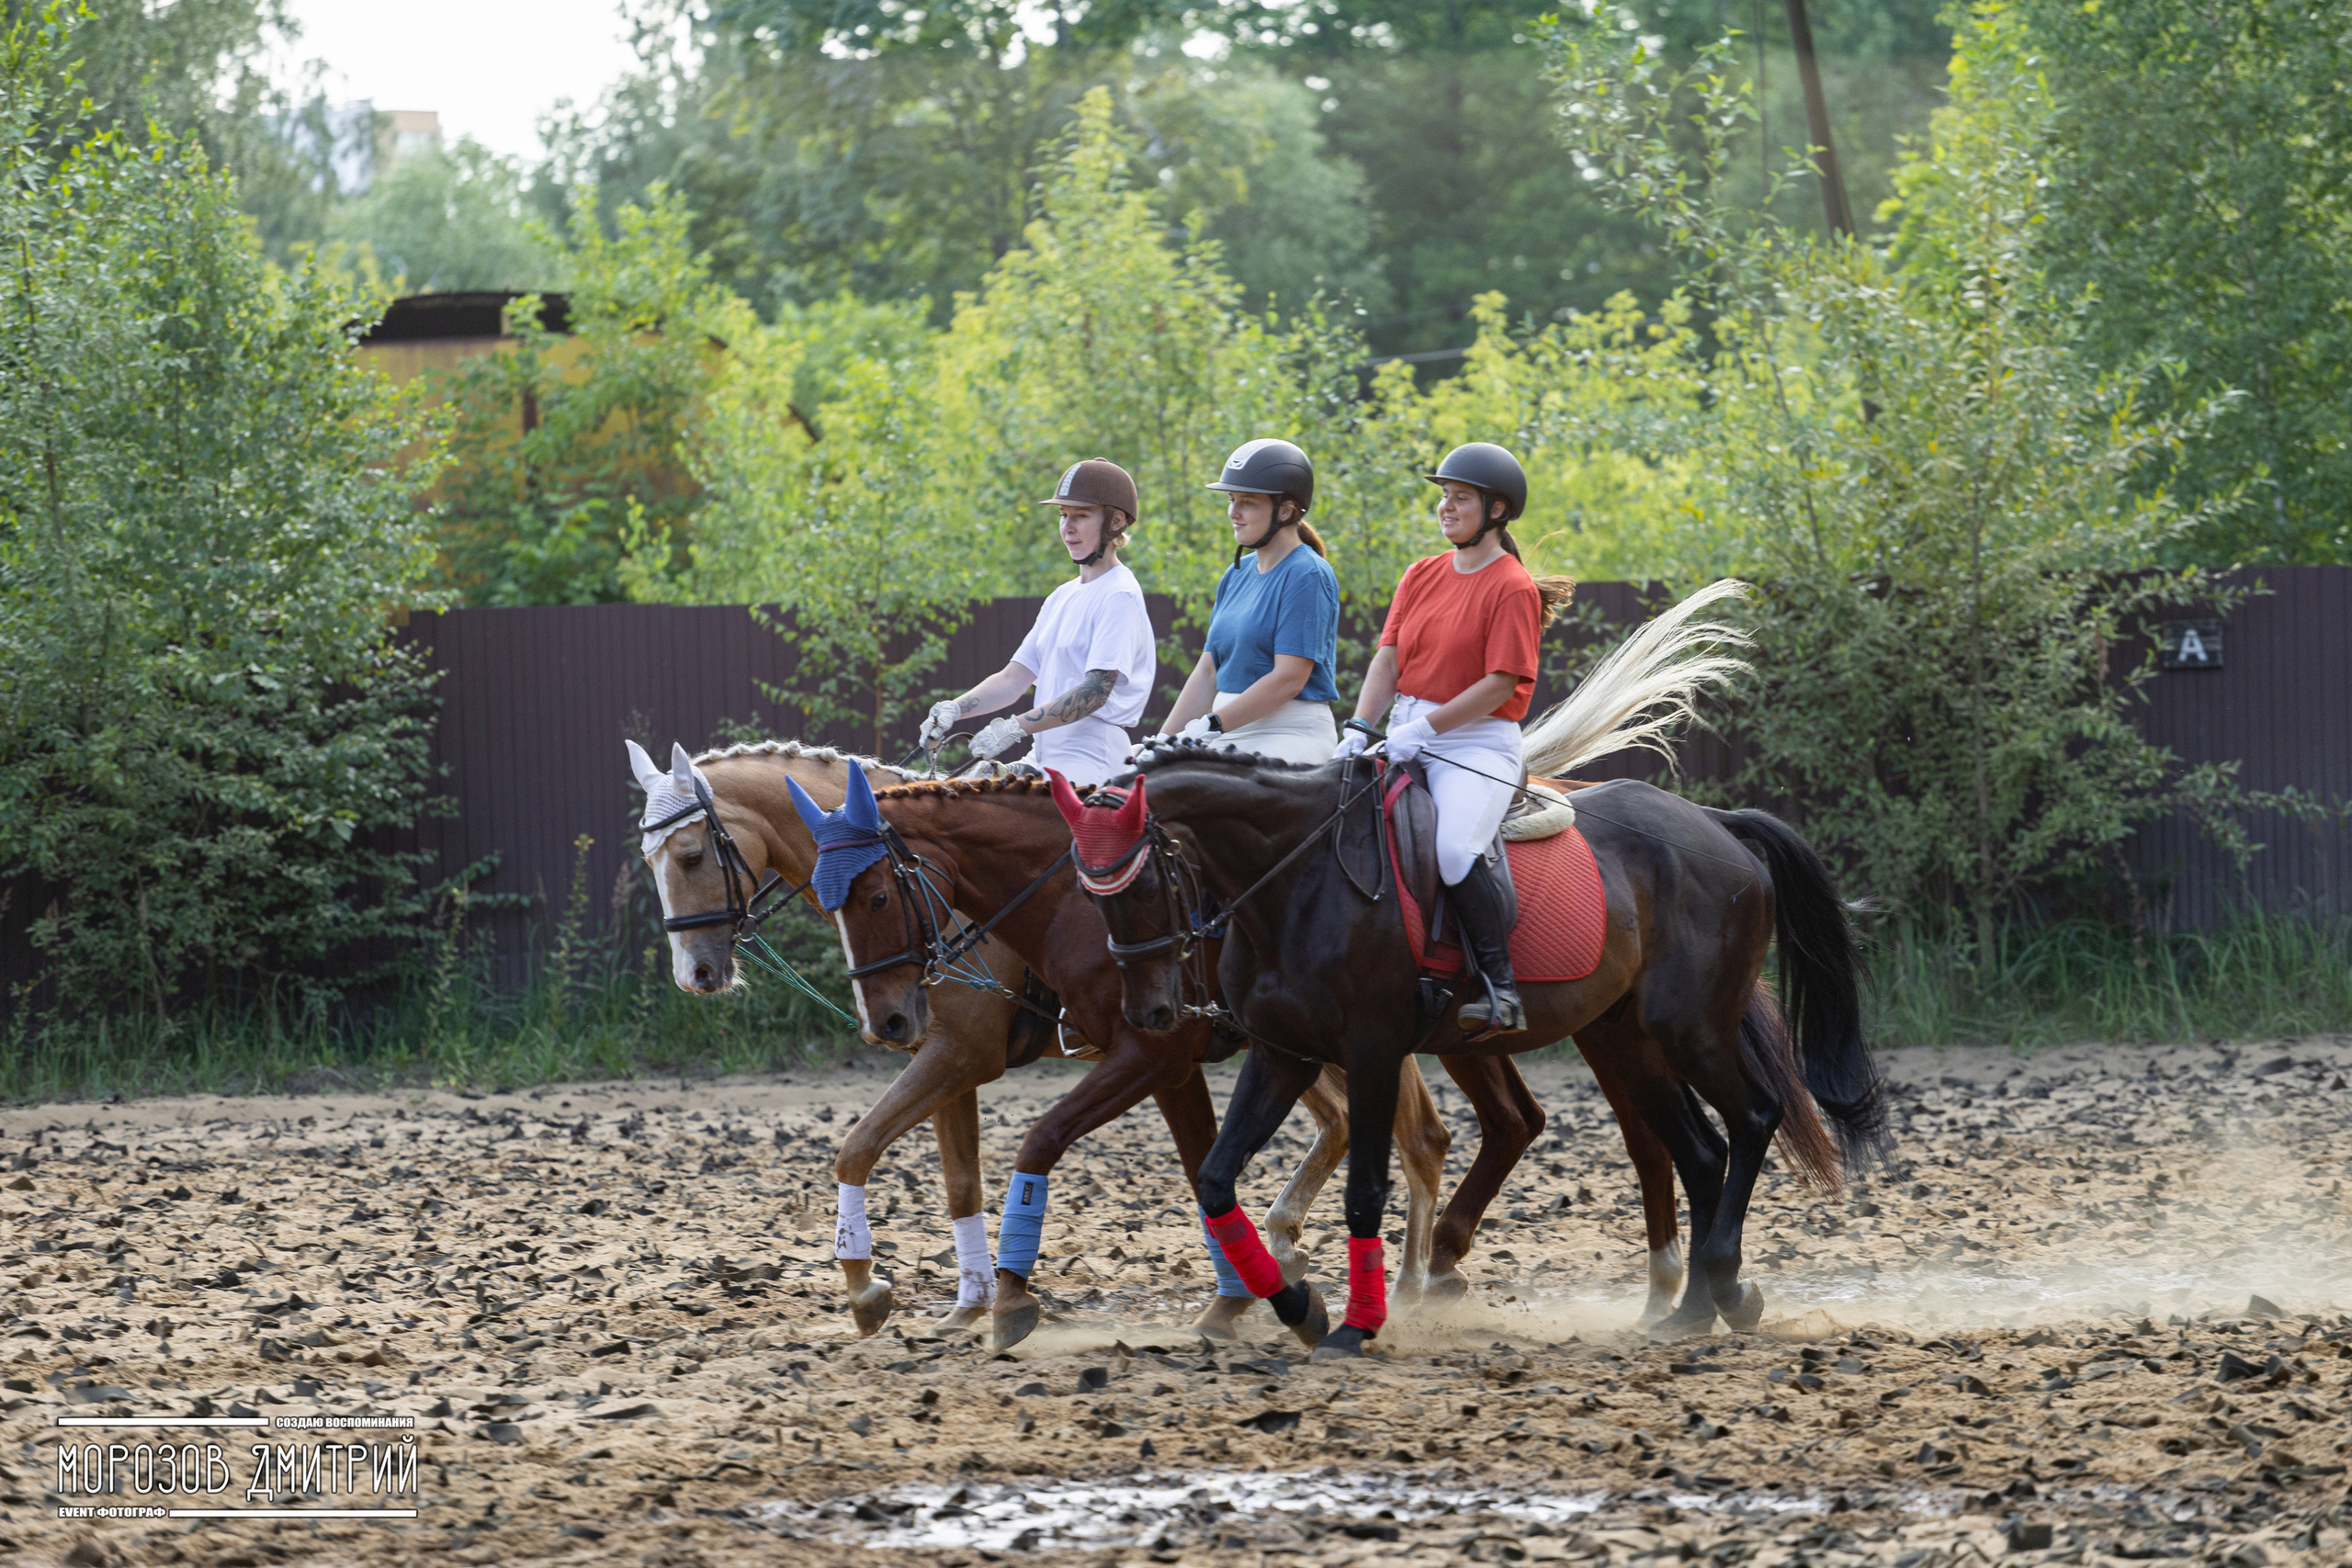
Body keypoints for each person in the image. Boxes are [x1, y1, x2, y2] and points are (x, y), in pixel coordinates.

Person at [1331, 442, 1576, 1035]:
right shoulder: (1421, 573)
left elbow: (1500, 684)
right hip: (1404, 732)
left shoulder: (1511, 586)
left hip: (1475, 744)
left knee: (1453, 850)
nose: (1446, 506)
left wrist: (1424, 729)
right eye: (1444, 495)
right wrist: (1360, 726)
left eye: (1460, 497)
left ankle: (1500, 987)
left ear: (1497, 510)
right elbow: (1388, 659)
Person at [918, 458, 1157, 788]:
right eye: (1063, 515)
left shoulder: (1120, 594)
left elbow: (1094, 692)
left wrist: (1015, 727)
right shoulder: (1062, 596)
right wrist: (952, 710)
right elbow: (1013, 679)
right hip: (1044, 755)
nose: (1067, 527)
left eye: (1080, 516)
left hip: (1090, 760)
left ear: (1115, 522)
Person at [1156, 439, 1340, 764]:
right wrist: (1162, 742)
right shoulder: (1235, 574)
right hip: (1225, 731)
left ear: (1285, 511)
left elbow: (1289, 679)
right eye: (1232, 500)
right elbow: (1208, 672)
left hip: (1289, 732)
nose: (1233, 512)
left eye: (1248, 502)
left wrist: (1212, 725)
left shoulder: (1307, 574)